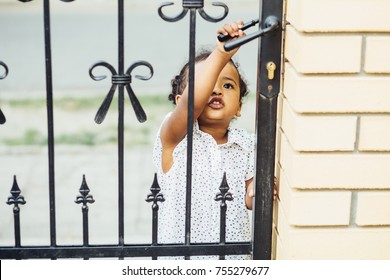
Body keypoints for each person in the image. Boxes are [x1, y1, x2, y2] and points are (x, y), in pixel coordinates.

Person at [152, 20, 255, 259]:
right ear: (181, 101)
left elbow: (251, 200)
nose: (217, 91)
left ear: (239, 106)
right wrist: (221, 53)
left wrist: (256, 190)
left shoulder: (247, 145)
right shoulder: (175, 139)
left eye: (227, 85)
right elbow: (192, 105)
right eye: (207, 84)